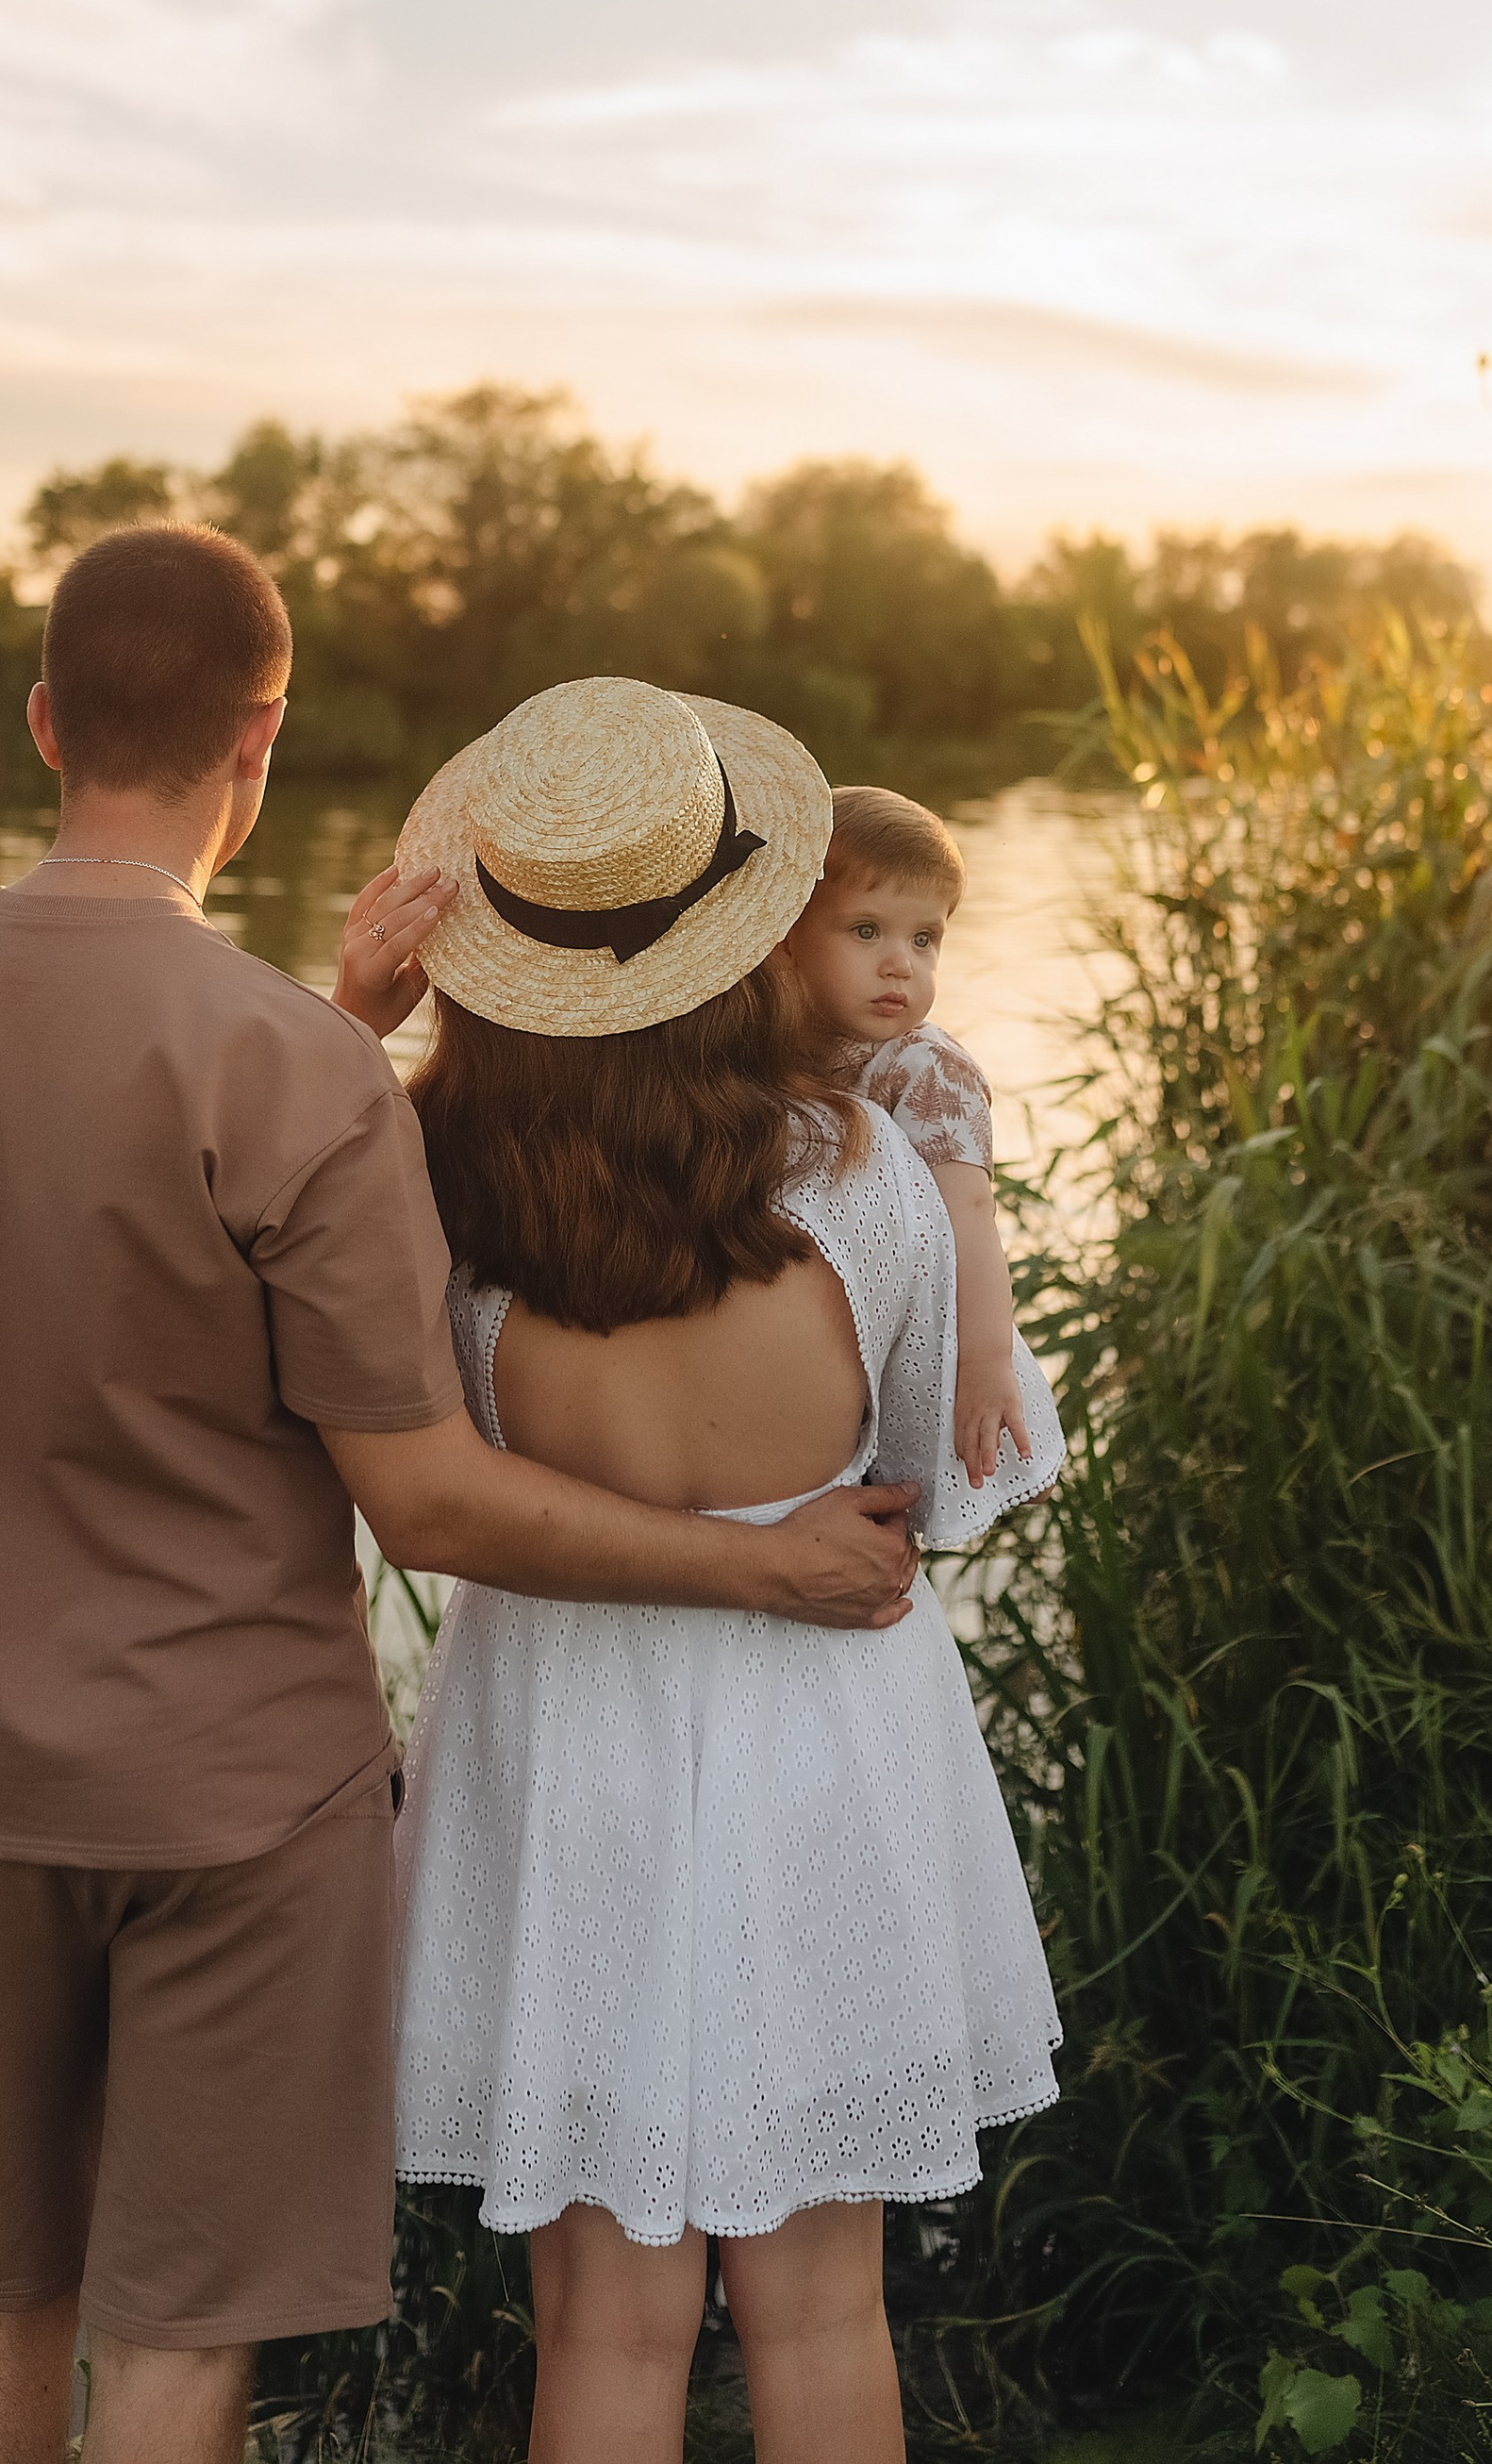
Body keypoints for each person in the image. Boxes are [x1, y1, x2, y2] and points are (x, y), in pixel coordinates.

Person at [0, 536, 922, 2464]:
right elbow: (432, 1505)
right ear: (260, 741)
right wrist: (747, 1556)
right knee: (174, 2326)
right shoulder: (290, 1064)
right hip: (233, 1794)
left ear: (43, 720)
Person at [360, 676, 1065, 2464]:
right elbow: (937, 1488)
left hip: (559, 1733)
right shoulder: (859, 1167)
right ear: (739, 921)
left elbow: (403, 1454)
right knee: (822, 2302)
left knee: (606, 2320)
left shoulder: (426, 1175)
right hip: (822, 1724)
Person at [780, 783, 1033, 1485]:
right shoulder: (772, 1051)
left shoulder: (925, 1069)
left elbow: (971, 1218)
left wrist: (984, 1364)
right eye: (867, 931)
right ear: (786, 936)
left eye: (925, 939)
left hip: (914, 1340)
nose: (902, 964)